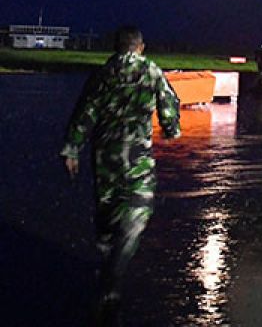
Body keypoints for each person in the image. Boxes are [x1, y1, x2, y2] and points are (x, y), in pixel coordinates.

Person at [61, 26, 181, 318]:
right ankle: (112, 279)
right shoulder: (151, 71)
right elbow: (169, 106)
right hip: (137, 157)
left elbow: (85, 112)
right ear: (140, 47)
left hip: (105, 156)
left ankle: (106, 251)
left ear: (116, 47)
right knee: (138, 212)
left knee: (107, 208)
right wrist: (171, 129)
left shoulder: (103, 73)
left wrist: (71, 149)